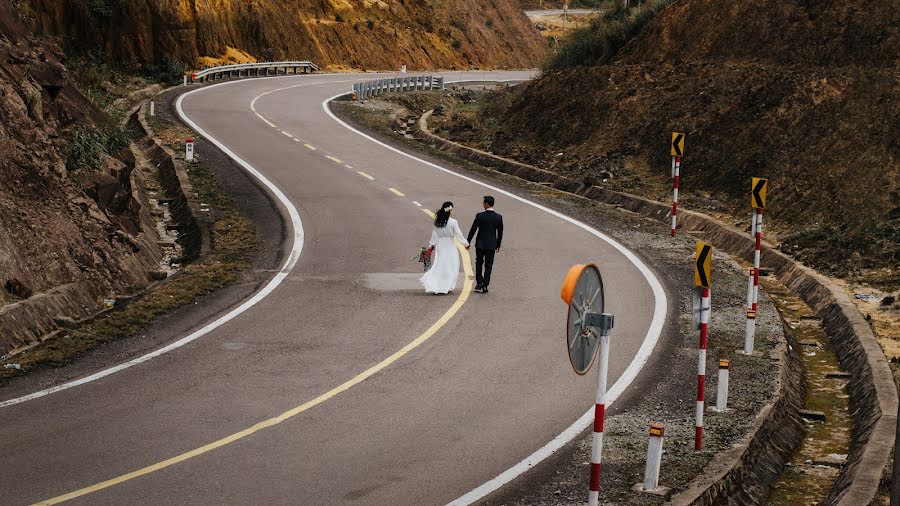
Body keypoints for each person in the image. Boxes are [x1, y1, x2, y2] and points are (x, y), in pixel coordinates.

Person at [420, 201, 470, 294]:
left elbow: (434, 236)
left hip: (441, 245)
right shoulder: (453, 222)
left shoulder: (437, 222)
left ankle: (438, 285)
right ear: (450, 210)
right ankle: (448, 286)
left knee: (440, 264)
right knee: (452, 265)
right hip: (450, 245)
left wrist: (431, 246)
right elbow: (459, 234)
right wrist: (466, 244)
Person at [467, 195, 503, 294]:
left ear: (486, 204)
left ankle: (479, 283)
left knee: (479, 263)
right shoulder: (498, 217)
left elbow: (473, 230)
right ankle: (485, 285)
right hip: (491, 245)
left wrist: (468, 241)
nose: (483, 204)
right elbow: (500, 233)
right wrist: (498, 245)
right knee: (489, 265)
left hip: (480, 244)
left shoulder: (479, 216)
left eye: (483, 203)